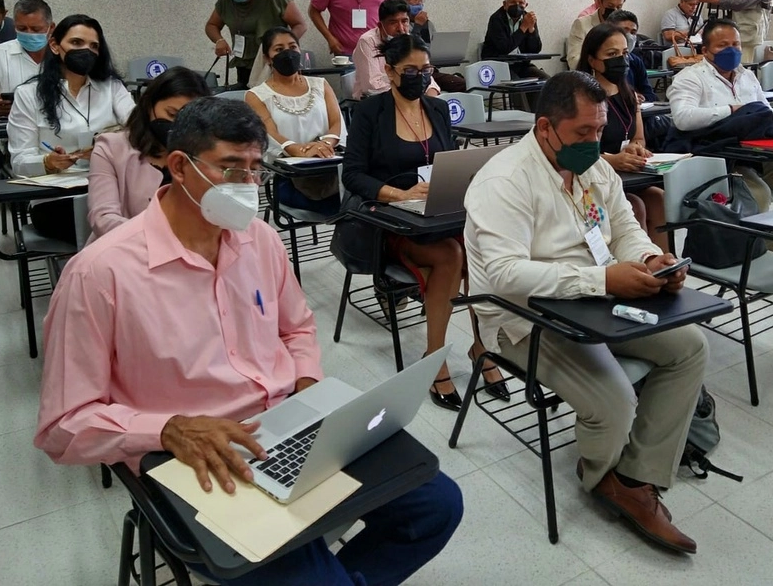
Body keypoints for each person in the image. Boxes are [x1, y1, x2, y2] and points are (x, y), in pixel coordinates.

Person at [35, 97, 462, 585]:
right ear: (179, 166)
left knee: (436, 506)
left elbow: (296, 328)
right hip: (191, 454)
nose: (247, 186)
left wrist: (306, 383)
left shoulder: (257, 239)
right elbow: (63, 425)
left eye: (255, 169)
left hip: (287, 424)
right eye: (231, 168)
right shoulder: (100, 273)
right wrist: (168, 429)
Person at [464, 71, 707, 554]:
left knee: (690, 347)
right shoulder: (504, 181)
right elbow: (505, 274)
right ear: (544, 128)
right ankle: (600, 475)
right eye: (583, 132)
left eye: (599, 131)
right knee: (614, 404)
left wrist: (648, 260)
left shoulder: (594, 166)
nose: (595, 142)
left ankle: (634, 477)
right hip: (523, 317)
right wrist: (603, 280)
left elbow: (623, 228)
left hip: (596, 298)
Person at [342, 33, 505, 410]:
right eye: (410, 70)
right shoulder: (370, 113)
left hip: (438, 209)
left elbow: (450, 161)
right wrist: (399, 194)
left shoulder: (437, 108)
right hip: (390, 216)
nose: (419, 76)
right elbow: (352, 175)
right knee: (449, 254)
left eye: (425, 69)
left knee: (483, 244)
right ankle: (435, 359)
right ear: (389, 71)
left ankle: (482, 344)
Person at [668, 18, 773, 216]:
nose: (731, 50)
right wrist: (732, 110)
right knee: (758, 194)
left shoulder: (747, 76)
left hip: (755, 155)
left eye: (735, 44)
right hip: (718, 158)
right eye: (722, 45)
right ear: (705, 51)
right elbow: (683, 119)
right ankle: (754, 245)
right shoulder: (690, 77)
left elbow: (766, 121)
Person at [8, 14, 135, 241]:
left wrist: (109, 141)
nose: (86, 50)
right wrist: (48, 162)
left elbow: (139, 129)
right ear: (55, 46)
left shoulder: (112, 88)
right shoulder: (28, 94)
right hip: (59, 197)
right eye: (76, 43)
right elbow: (18, 162)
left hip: (111, 188)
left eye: (93, 46)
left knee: (130, 221)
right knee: (112, 229)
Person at [88, 66, 210, 239]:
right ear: (148, 105)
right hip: (125, 251)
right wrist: (162, 237)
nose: (178, 125)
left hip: (189, 252)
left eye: (188, 120)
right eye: (171, 114)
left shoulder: (205, 154)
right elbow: (103, 219)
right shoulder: (111, 147)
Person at [576, 24, 668, 251]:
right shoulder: (582, 98)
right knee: (635, 205)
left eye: (624, 53)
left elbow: (638, 137)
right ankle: (640, 266)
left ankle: (664, 266)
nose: (621, 60)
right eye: (611, 54)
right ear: (592, 61)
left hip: (624, 174)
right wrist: (612, 160)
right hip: (591, 177)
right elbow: (575, 152)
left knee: (658, 198)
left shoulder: (629, 94)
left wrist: (636, 149)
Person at [246, 27, 345, 216]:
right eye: (279, 49)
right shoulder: (256, 96)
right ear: (267, 58)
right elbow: (270, 134)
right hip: (289, 176)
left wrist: (323, 145)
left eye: (292, 47)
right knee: (345, 207)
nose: (288, 54)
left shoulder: (320, 84)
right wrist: (302, 151)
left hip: (329, 166)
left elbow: (336, 122)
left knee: (359, 198)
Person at [204, 0, 307, 87]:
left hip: (274, 64)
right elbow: (212, 25)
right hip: (244, 65)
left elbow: (300, 25)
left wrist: (283, 47)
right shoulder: (226, 0)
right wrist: (219, 40)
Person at [352, 0, 442, 100]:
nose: (401, 28)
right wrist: (411, 93)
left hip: (410, 101)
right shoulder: (368, 41)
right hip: (375, 102)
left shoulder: (409, 40)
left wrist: (430, 102)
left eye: (404, 21)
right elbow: (372, 87)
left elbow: (429, 81)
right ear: (380, 26)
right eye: (393, 22)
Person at [400, 0, 466, 93]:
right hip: (414, 72)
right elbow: (408, 49)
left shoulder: (428, 24)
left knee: (462, 83)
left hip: (431, 69)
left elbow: (435, 47)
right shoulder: (402, 24)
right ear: (404, 2)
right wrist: (417, 26)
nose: (419, 3)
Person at [483, 0, 547, 80]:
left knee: (547, 81)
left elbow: (535, 50)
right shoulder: (496, 19)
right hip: (499, 65)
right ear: (505, 4)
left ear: (526, 5)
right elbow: (504, 48)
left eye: (521, 3)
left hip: (522, 65)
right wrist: (523, 28)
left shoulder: (528, 18)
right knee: (517, 87)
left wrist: (531, 29)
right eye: (513, 2)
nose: (517, 6)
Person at [567, 0, 626, 70]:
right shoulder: (582, 24)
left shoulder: (621, 27)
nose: (615, 11)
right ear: (599, 3)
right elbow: (573, 61)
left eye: (619, 7)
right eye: (610, 6)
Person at [605, 10, 658, 103]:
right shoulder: (602, 61)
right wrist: (628, 97)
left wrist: (642, 98)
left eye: (633, 32)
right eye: (624, 30)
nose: (629, 36)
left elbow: (649, 94)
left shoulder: (635, 61)